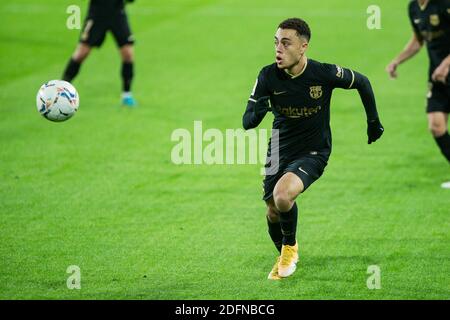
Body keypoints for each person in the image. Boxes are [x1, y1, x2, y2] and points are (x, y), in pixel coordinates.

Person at [242, 18, 384, 280]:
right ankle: (284, 253)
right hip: (278, 151)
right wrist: (259, 110)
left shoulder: (323, 74)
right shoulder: (267, 76)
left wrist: (373, 121)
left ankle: (289, 249)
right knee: (273, 211)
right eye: (276, 42)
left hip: (314, 150)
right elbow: (247, 122)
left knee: (283, 195)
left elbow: (362, 81)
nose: (278, 49)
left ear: (303, 46)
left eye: (286, 43)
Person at [386, 0, 450, 188]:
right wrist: (397, 61)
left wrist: (446, 65)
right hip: (437, 77)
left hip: (445, 69)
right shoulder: (413, 7)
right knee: (436, 126)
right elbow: (418, 40)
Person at [62, 0, 137, 107]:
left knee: (128, 54)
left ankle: (127, 95)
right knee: (81, 53)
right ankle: (61, 89)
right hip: (97, 14)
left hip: (117, 13)